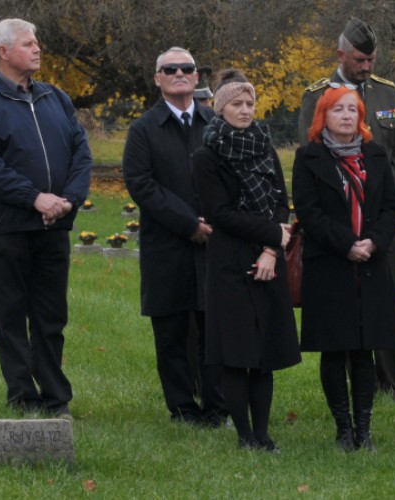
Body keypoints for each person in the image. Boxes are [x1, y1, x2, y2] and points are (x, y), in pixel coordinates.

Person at [0, 18, 91, 417]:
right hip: (5, 226)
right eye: (29, 43)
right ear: (4, 52)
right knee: (10, 315)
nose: (37, 49)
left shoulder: (57, 98)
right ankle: (23, 395)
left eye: (37, 43)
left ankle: (55, 397)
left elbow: (81, 153)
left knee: (51, 316)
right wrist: (34, 198)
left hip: (53, 227)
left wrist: (68, 200)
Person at [298, 16, 395, 402]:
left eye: (371, 60)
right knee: (342, 308)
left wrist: (388, 198)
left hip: (381, 221)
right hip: (337, 224)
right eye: (360, 60)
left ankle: (393, 383)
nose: (366, 67)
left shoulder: (386, 93)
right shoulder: (317, 95)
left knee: (386, 302)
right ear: (341, 55)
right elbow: (310, 160)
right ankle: (350, 380)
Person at [192, 68, 301, 451]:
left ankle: (264, 432)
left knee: (265, 352)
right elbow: (220, 214)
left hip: (268, 258)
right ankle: (244, 436)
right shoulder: (206, 156)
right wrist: (273, 235)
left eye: (250, 103)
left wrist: (273, 251)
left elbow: (280, 203)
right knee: (238, 353)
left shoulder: (265, 146)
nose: (244, 110)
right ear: (220, 109)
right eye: (236, 104)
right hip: (229, 262)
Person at [293, 85, 395, 451]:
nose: (345, 116)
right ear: (323, 115)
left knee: (364, 349)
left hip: (371, 265)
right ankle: (343, 430)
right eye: (337, 109)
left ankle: (365, 431)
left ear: (360, 117)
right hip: (330, 266)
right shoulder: (309, 157)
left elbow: (391, 208)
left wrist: (372, 242)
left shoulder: (375, 155)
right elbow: (309, 213)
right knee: (335, 349)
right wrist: (347, 245)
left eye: (351, 110)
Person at [122, 47, 226, 426]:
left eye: (187, 68)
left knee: (213, 330)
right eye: (170, 69)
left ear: (197, 77)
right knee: (171, 332)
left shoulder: (214, 123)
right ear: (158, 79)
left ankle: (217, 407)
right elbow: (142, 185)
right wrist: (188, 224)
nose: (179, 73)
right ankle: (182, 408)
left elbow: (229, 177)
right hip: (167, 245)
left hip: (214, 244)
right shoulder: (143, 129)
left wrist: (213, 222)